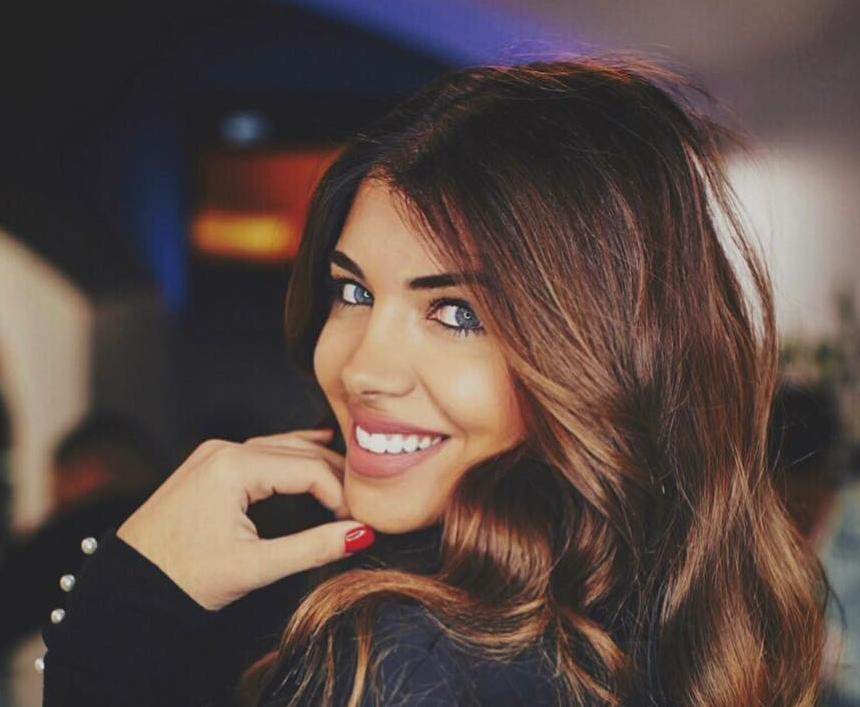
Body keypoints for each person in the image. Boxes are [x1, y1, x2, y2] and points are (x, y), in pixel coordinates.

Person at [40, 55, 831, 706]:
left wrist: (128, 604)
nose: (361, 367)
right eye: (353, 292)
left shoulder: (406, 661)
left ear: (603, 350)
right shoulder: (677, 610)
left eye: (457, 312)